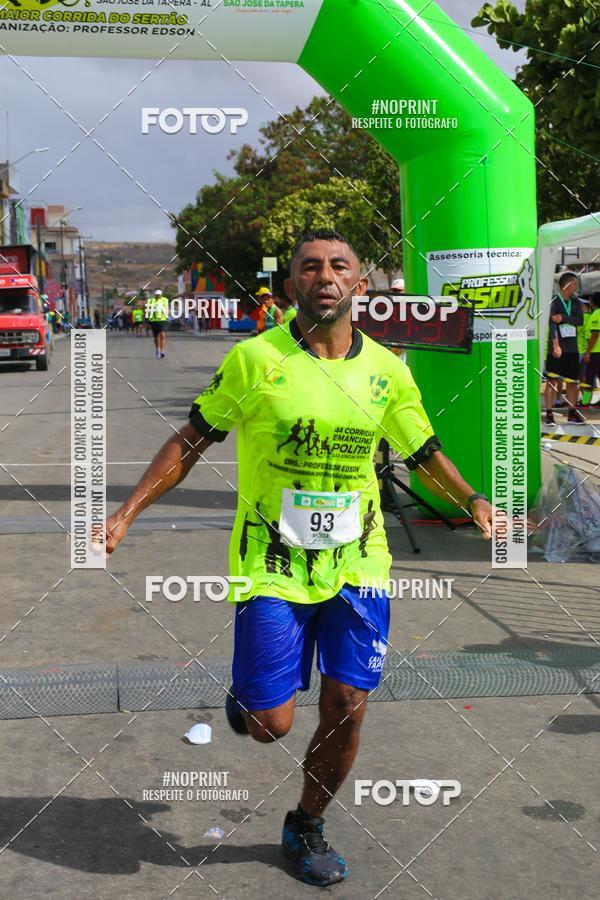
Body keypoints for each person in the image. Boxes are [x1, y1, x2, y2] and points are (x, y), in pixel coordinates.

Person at [101, 228, 494, 888]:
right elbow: (191, 439)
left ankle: (306, 823)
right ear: (292, 287)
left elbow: (423, 449)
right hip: (272, 560)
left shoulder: (388, 372)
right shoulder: (256, 361)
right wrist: (124, 513)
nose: (325, 276)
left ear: (360, 284)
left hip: (359, 560)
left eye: (339, 265)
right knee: (268, 725)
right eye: (309, 267)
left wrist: (473, 499)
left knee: (347, 702)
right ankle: (253, 694)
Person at [544, 271, 585, 426]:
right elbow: (552, 323)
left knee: (573, 382)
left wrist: (563, 317)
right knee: (552, 380)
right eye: (575, 283)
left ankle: (572, 413)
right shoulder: (554, 301)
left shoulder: (575, 302)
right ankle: (549, 414)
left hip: (572, 348)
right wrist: (555, 345)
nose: (577, 286)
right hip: (557, 348)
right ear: (566, 284)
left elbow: (579, 320)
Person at [582, 292, 600, 407]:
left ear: (592, 301)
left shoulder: (596, 314)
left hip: (595, 351)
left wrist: (588, 352)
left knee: (588, 377)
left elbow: (595, 334)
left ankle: (585, 401)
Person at [147, 288, 169, 358]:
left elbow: (167, 308)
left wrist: (168, 312)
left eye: (159, 295)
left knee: (163, 335)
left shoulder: (165, 300)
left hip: (163, 320)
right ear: (154, 295)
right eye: (157, 295)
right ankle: (158, 349)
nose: (158, 296)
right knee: (156, 337)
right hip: (154, 320)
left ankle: (162, 351)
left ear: (161, 294)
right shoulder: (151, 301)